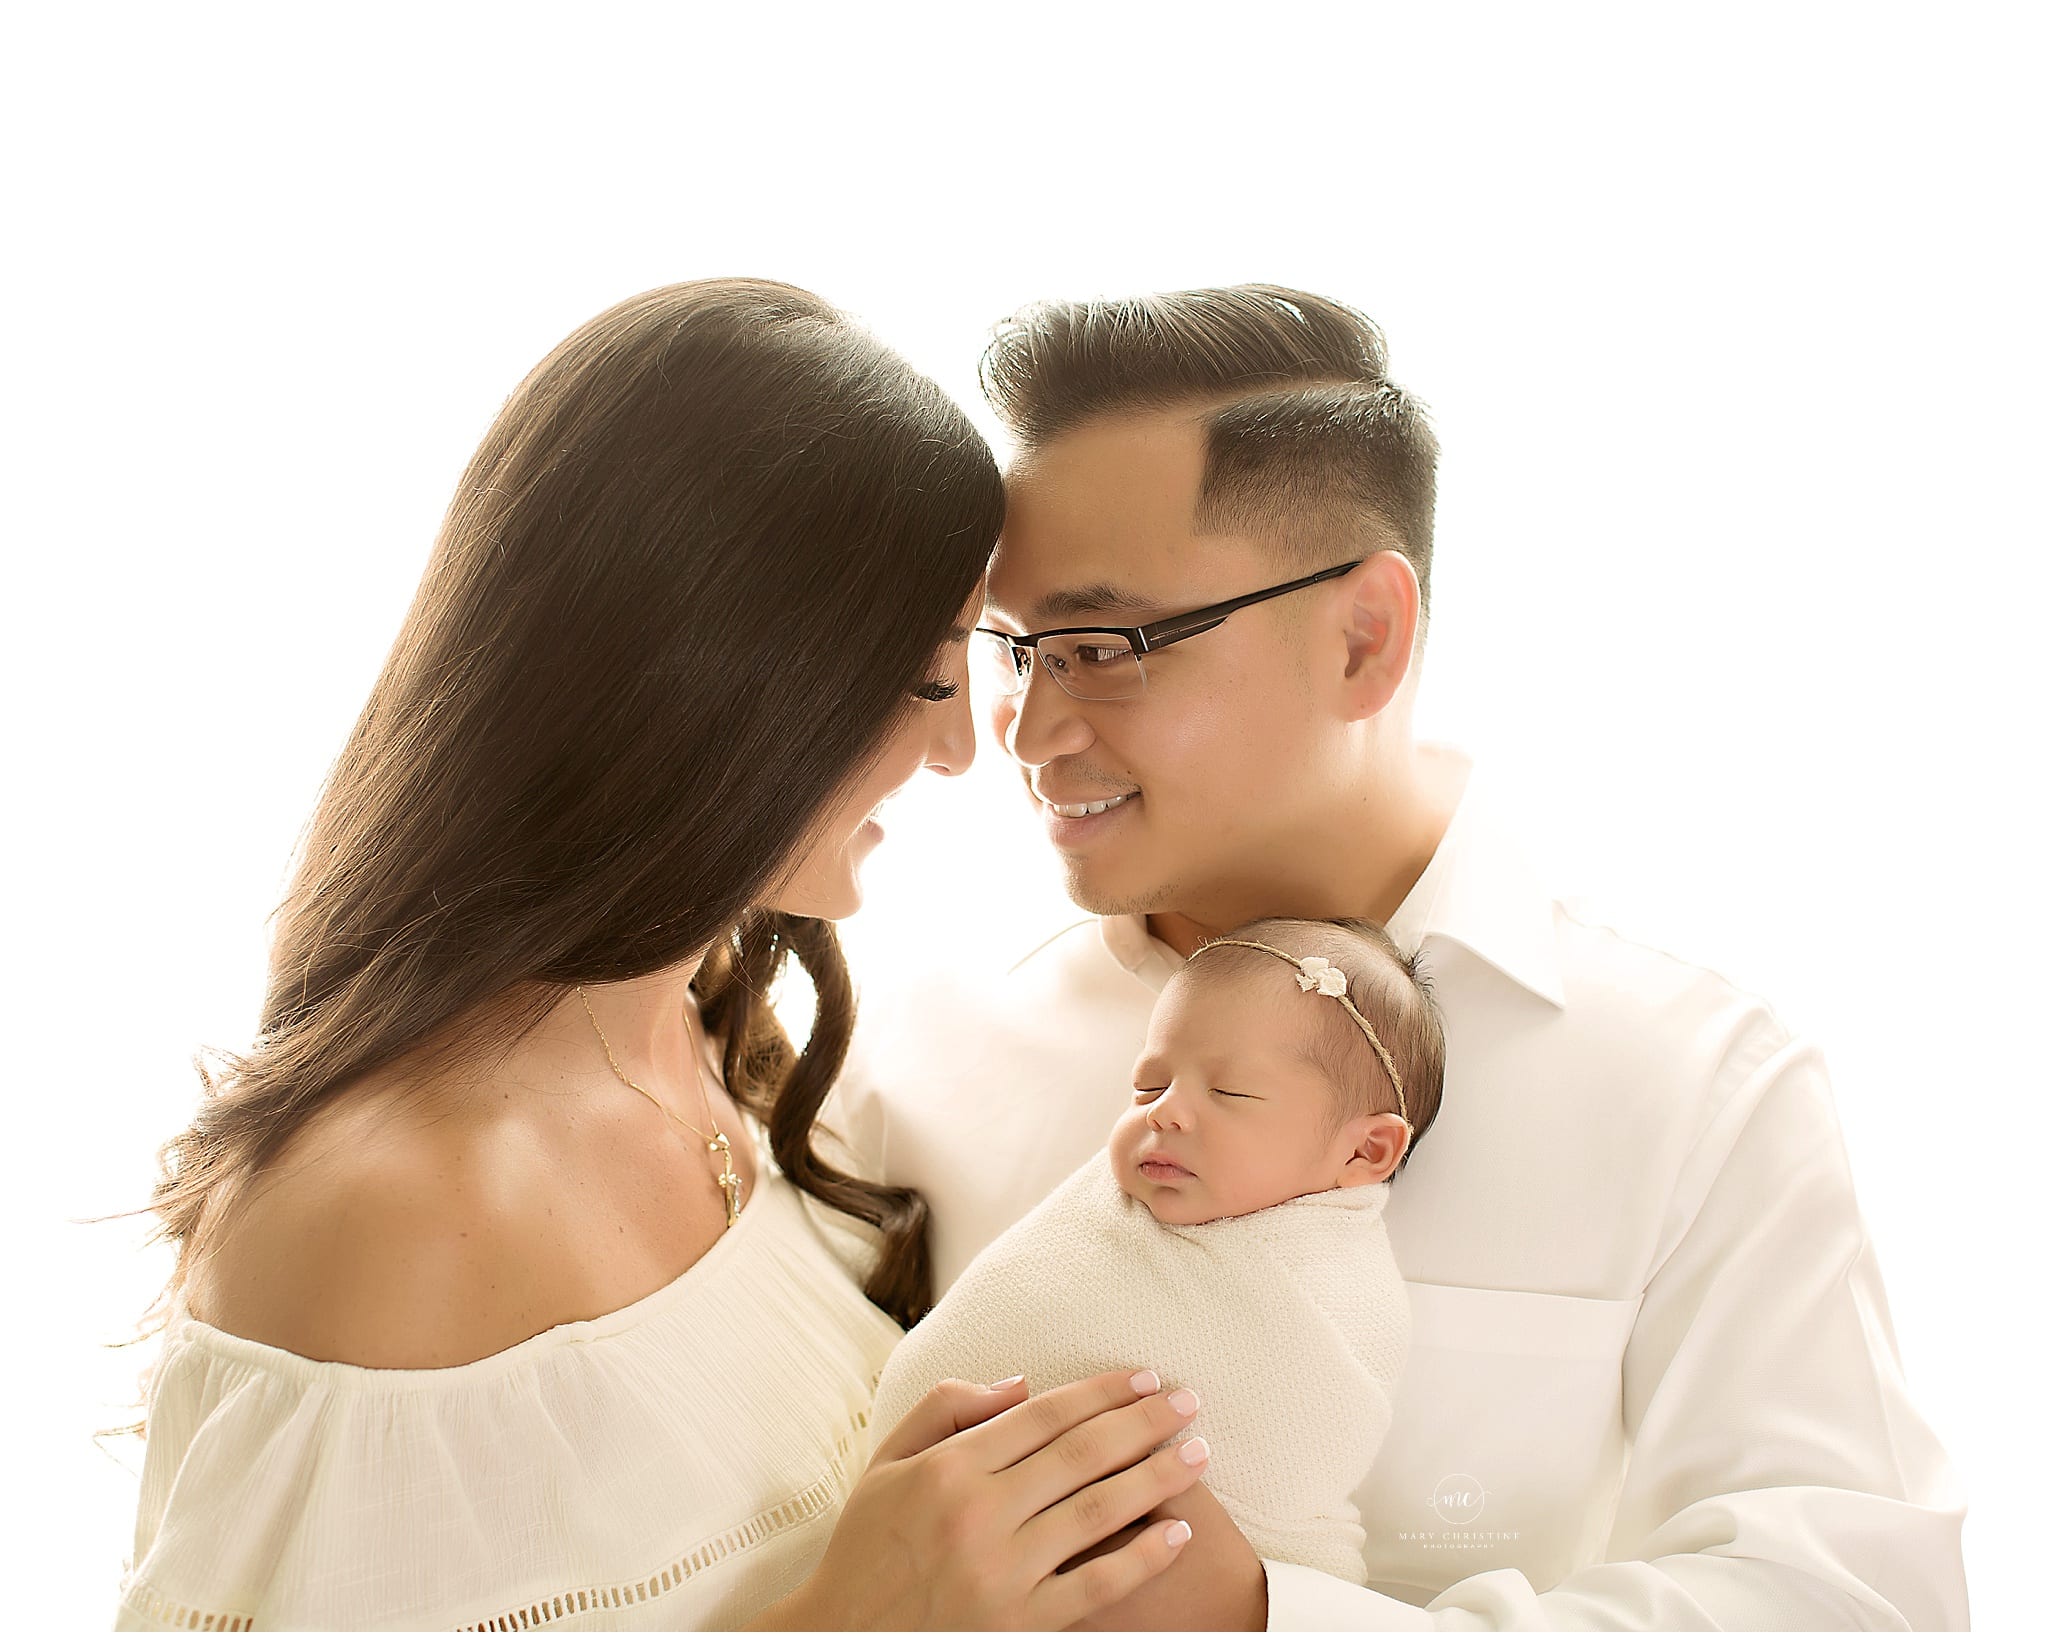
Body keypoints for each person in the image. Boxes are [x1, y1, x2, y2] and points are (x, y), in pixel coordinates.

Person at [834, 283, 1971, 1628]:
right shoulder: (917, 1052)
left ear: (1362, 637)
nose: (1024, 734)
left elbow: (1852, 1600)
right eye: (1014, 651)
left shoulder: (1695, 1086)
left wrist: (1274, 1616)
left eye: (1099, 647)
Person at [109, 278, 1238, 1631]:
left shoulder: (702, 1037)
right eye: (929, 675)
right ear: (719, 680)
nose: (958, 747)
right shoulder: (385, 1214)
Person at [871, 917, 1445, 1589]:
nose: (1163, 1112)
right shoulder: (1108, 1210)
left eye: (1228, 1093)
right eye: (1148, 1086)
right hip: (912, 1529)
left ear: (1365, 1150)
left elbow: (1290, 1448)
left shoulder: (1336, 1294)